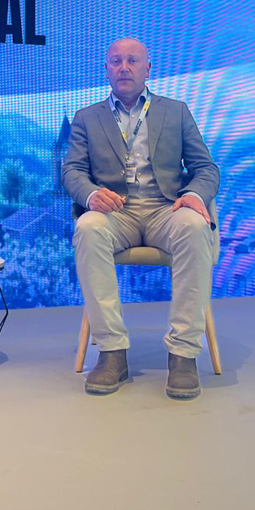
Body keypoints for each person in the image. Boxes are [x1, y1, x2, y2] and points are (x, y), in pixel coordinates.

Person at [61, 37, 220, 400]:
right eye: (116, 61)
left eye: (132, 61)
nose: (124, 67)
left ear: (148, 69)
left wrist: (194, 195)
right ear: (106, 70)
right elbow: (72, 171)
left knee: (196, 226)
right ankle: (112, 352)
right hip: (116, 212)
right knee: (87, 228)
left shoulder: (176, 111)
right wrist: (91, 195)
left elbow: (206, 168)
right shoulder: (87, 118)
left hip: (167, 209)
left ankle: (183, 355)